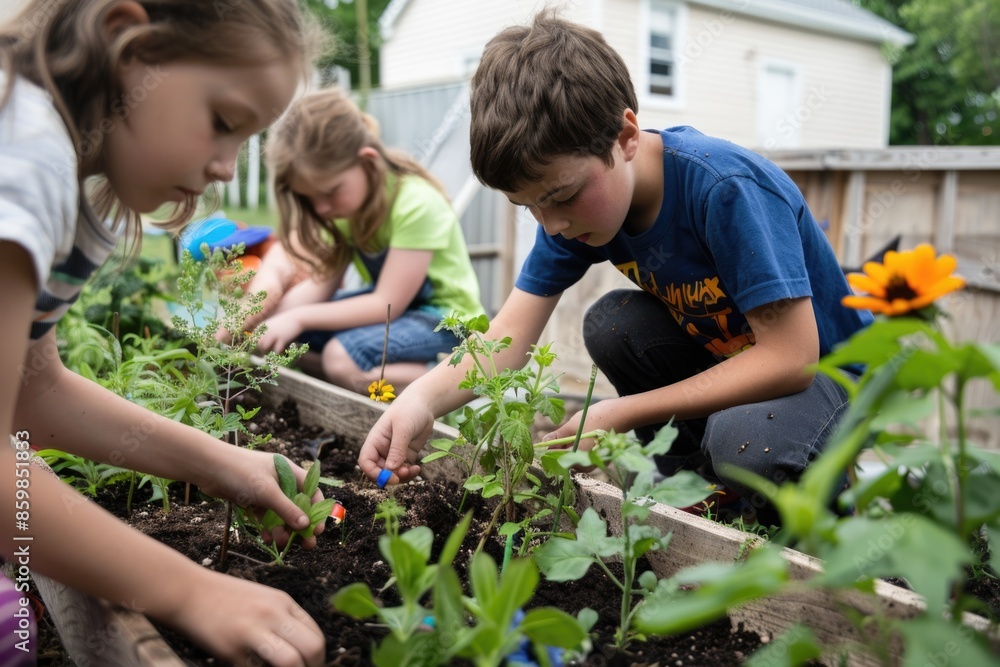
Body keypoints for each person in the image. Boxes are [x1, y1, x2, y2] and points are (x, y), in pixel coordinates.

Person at [357, 12, 873, 524]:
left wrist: (619, 412)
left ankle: (814, 522)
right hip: (736, 365)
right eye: (528, 206)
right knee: (615, 324)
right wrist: (419, 400)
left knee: (747, 443)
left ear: (625, 136)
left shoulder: (723, 190)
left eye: (561, 195)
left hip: (831, 380)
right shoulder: (574, 212)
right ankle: (701, 495)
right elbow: (508, 338)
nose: (551, 224)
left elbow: (793, 357)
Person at [0, 2, 328, 665]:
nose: (227, 169)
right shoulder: (25, 158)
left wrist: (224, 463)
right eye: (223, 124)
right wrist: (189, 591)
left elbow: (32, 391)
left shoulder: (52, 159)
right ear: (129, 46)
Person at [245, 86, 485, 396]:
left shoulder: (415, 203)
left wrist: (297, 317)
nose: (321, 209)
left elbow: (386, 303)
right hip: (397, 313)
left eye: (330, 191)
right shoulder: (347, 207)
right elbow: (323, 285)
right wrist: (264, 323)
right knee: (295, 340)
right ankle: (362, 385)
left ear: (367, 161)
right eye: (311, 198)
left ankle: (442, 377)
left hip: (444, 318)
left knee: (340, 358)